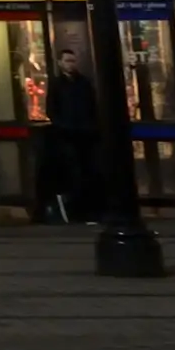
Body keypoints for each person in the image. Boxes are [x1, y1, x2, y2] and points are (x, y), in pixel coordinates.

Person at [44, 48, 101, 225]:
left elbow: (92, 105)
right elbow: (51, 109)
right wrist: (62, 125)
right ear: (60, 63)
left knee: (87, 173)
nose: (71, 64)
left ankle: (88, 211)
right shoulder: (57, 85)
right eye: (67, 61)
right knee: (73, 174)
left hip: (85, 134)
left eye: (72, 61)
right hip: (67, 135)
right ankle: (76, 212)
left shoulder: (84, 83)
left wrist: (90, 125)